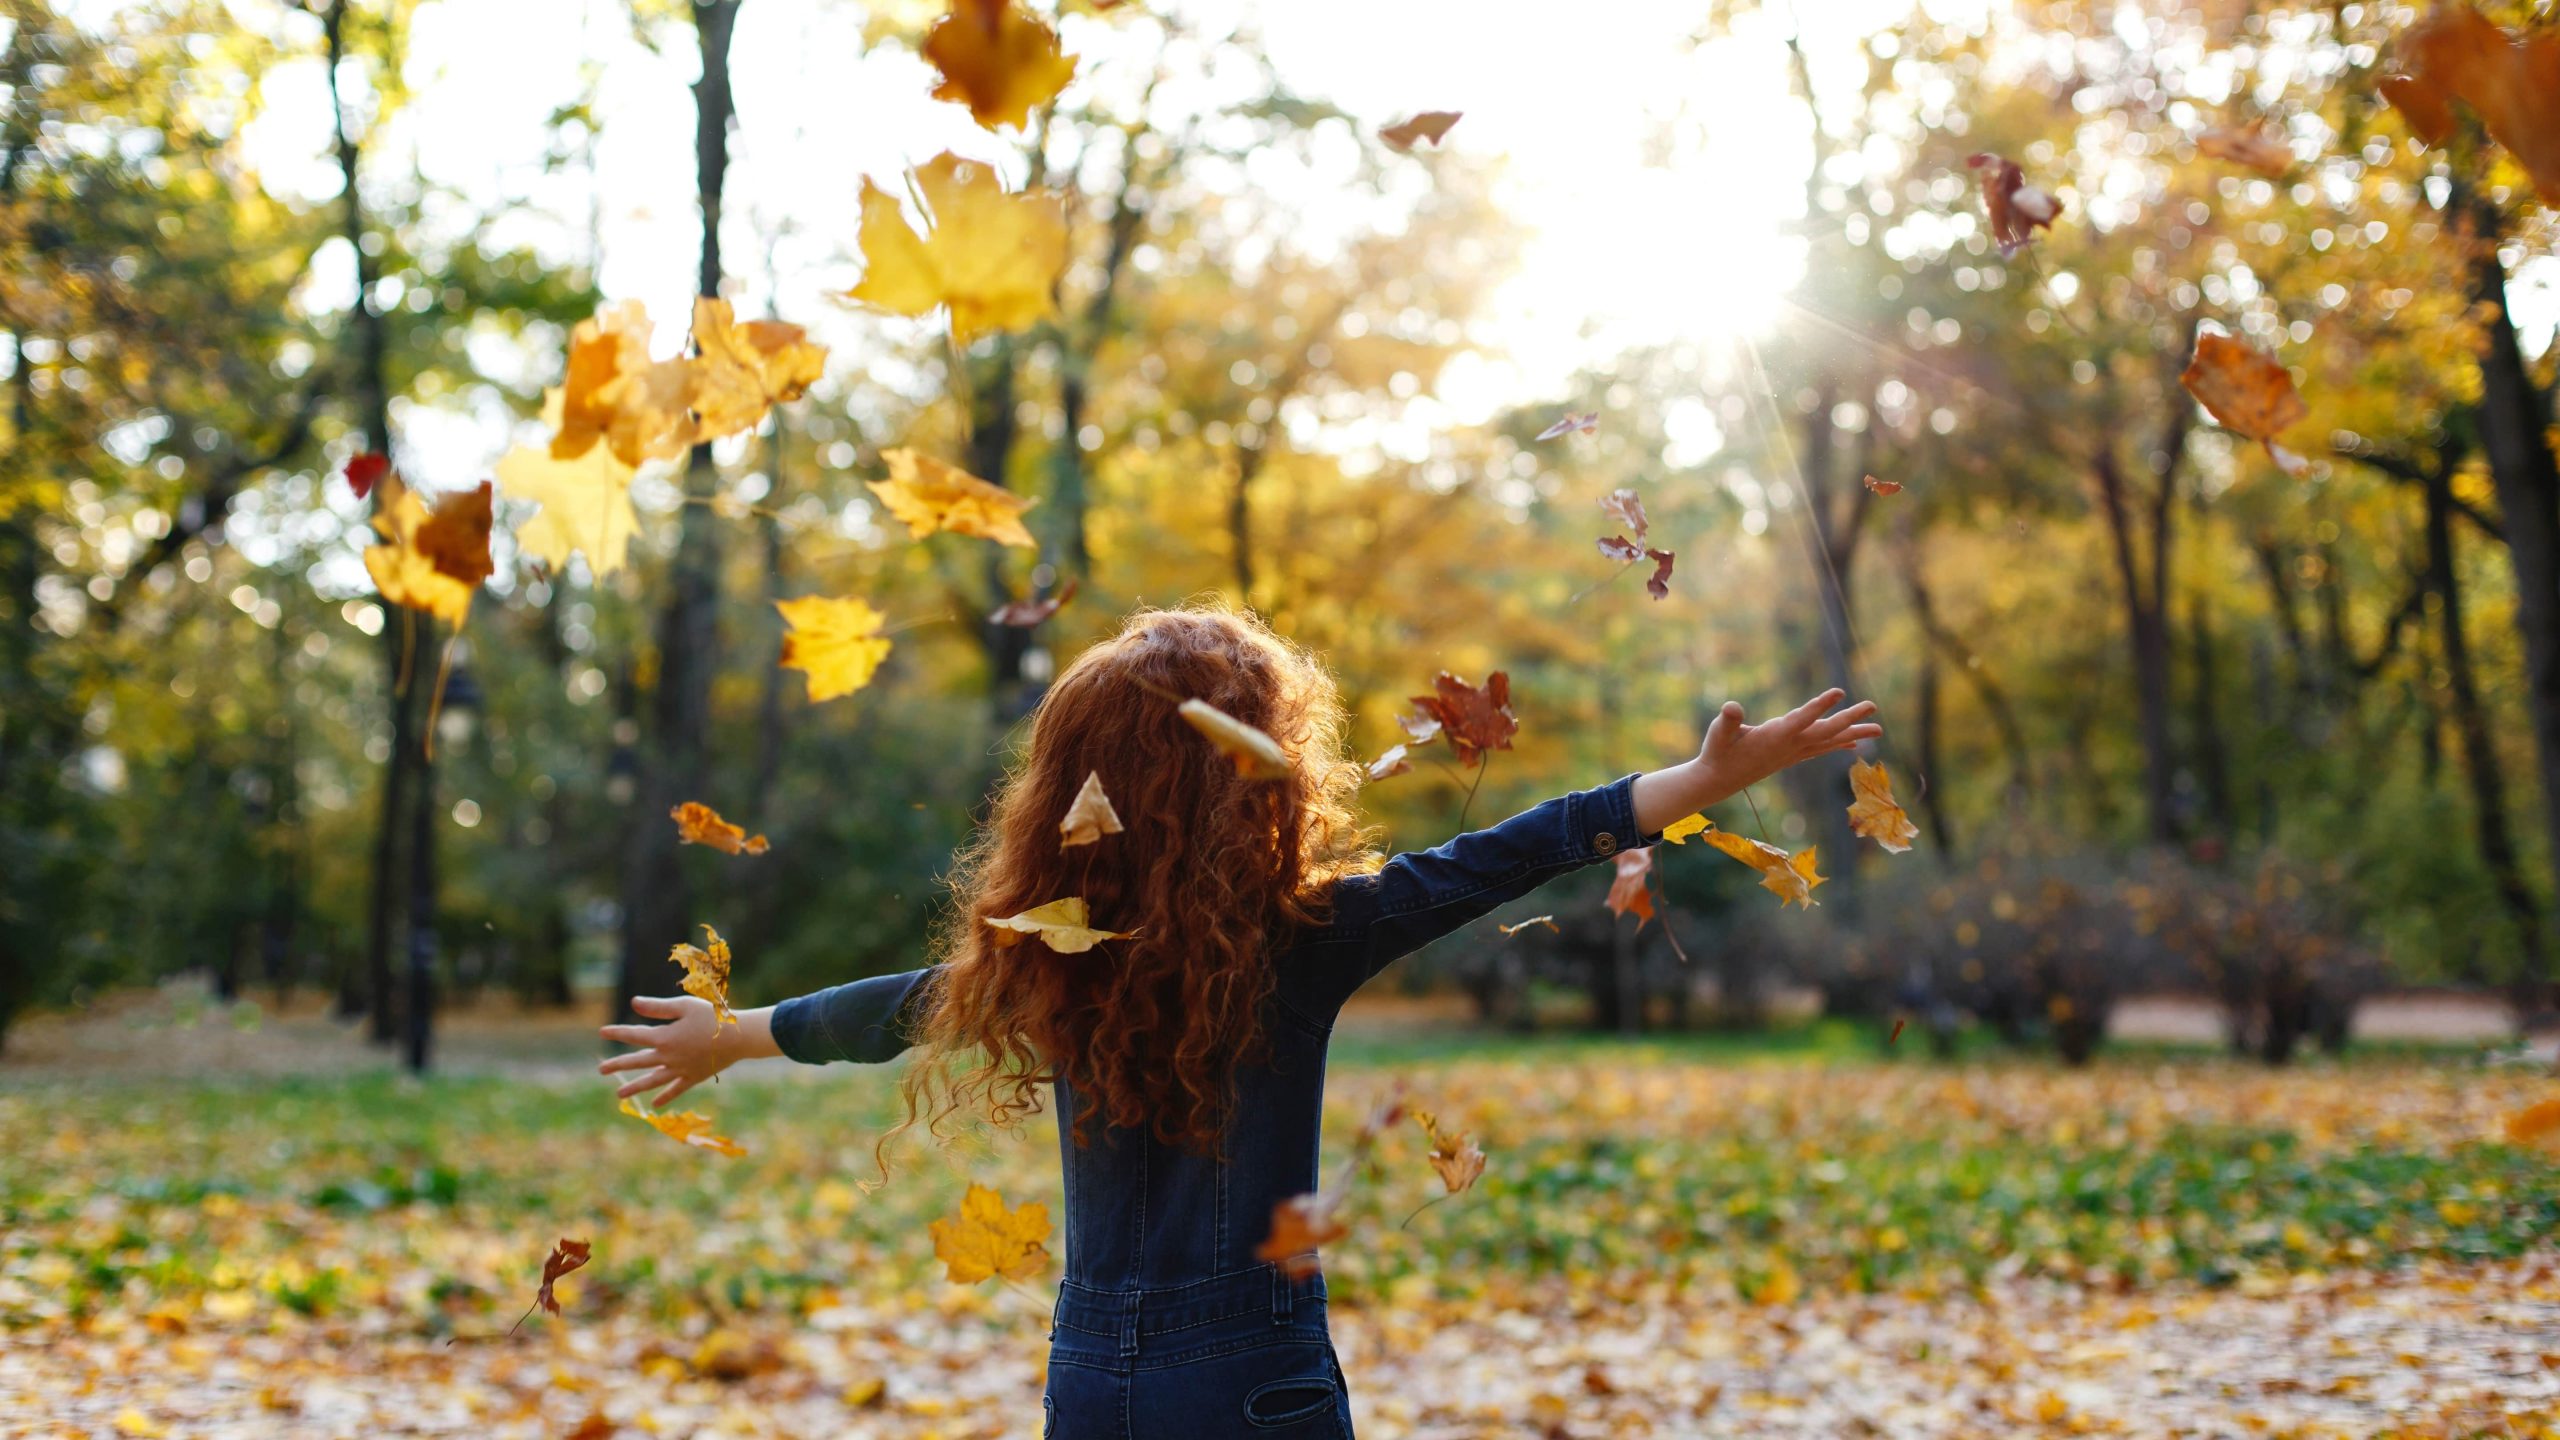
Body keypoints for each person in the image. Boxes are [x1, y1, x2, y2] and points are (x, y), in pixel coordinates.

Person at [598, 604, 1879, 1439]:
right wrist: (1702, 783)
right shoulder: (1306, 938)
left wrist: (732, 1033)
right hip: (1251, 1381)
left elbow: (888, 1013)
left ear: (1063, 791)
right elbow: (1509, 852)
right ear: (1259, 775)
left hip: (1091, 1381)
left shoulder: (1048, 963)